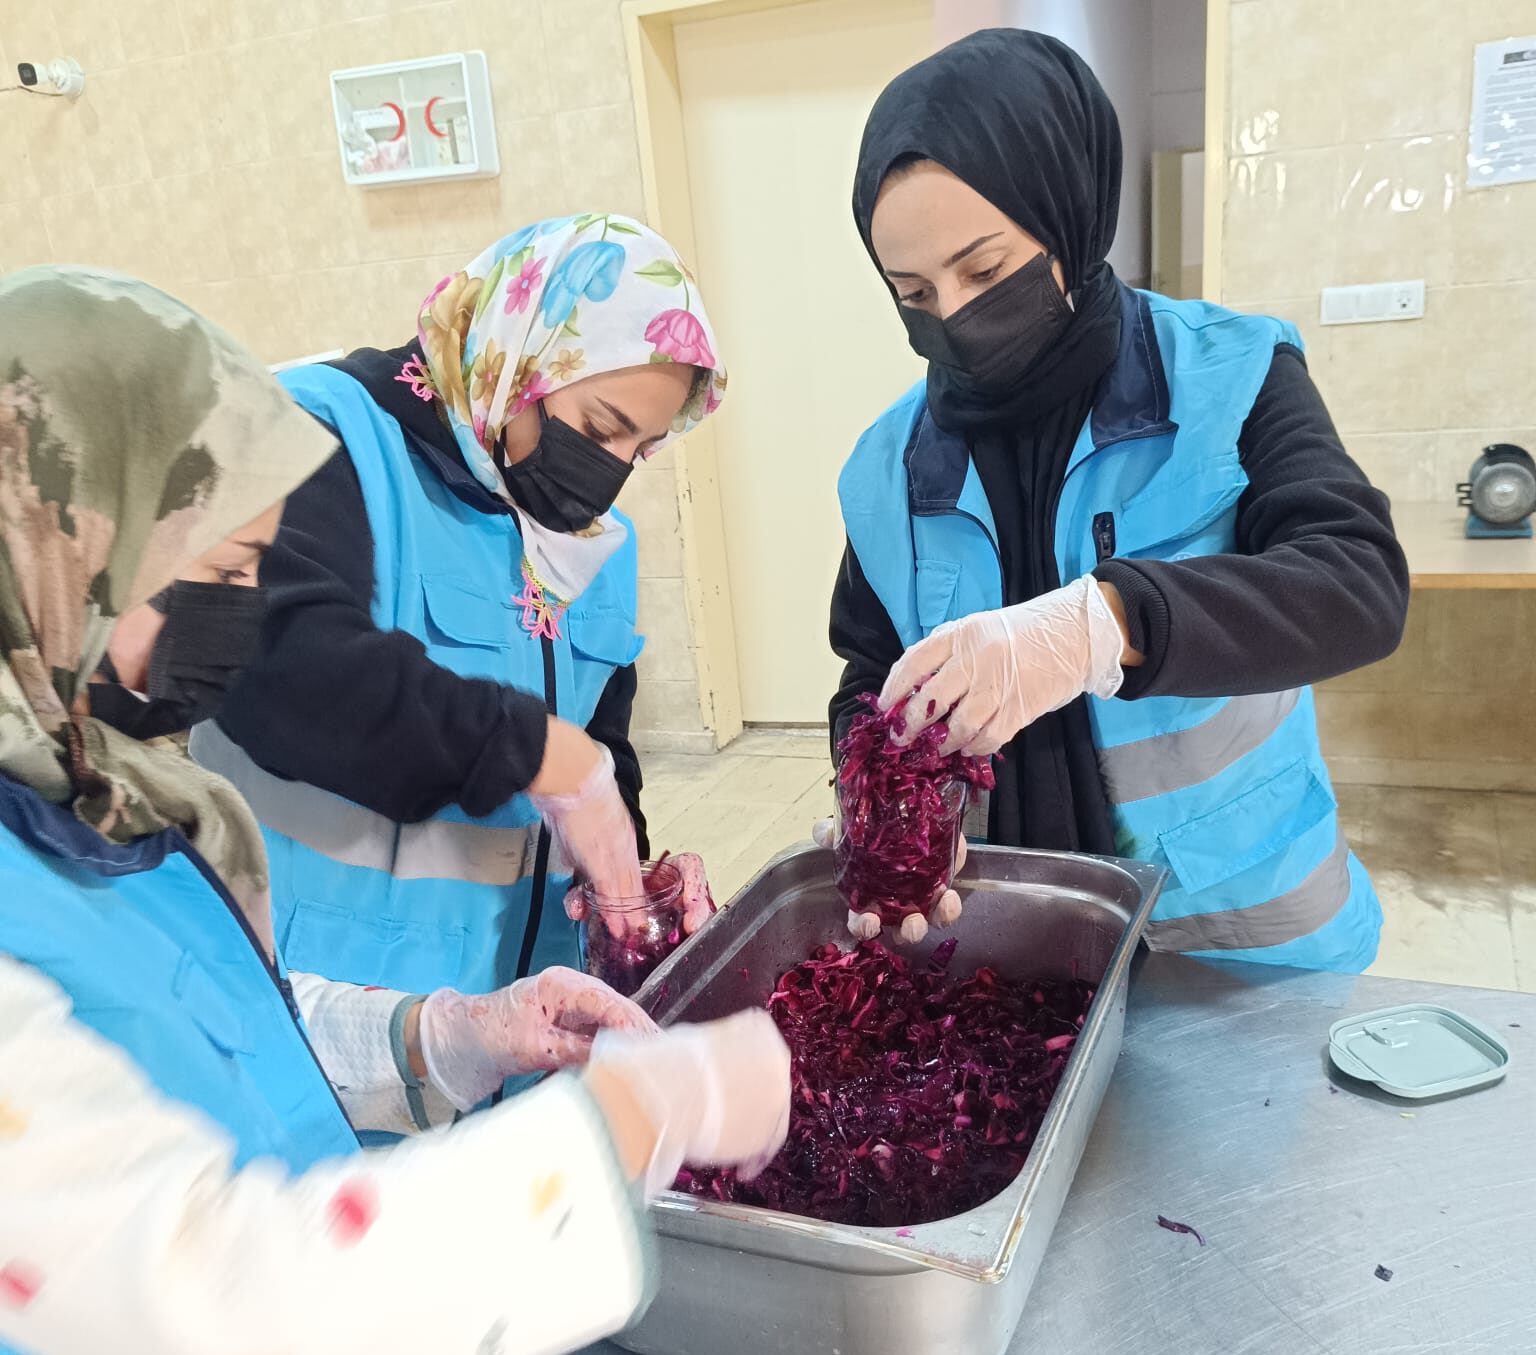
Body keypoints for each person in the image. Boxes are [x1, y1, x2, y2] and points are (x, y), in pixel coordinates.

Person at [0, 267, 790, 1355]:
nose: (241, 616)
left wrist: (445, 1037)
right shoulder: (341, 434)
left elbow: (220, 1027)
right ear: (68, 536)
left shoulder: (96, 783)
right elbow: (204, 1285)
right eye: (225, 569)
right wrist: (633, 1124)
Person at [824, 31, 1410, 971]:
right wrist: (886, 800)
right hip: (1010, 946)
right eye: (914, 292)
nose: (956, 316)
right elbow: (870, 670)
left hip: (1239, 942)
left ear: (1069, 214)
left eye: (984, 270)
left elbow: (1358, 585)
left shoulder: (1232, 373)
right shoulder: (886, 467)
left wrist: (1105, 624)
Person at [191, 214, 727, 1008]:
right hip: (327, 1003)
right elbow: (282, 669)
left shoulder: (595, 547)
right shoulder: (324, 435)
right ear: (520, 356)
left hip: (522, 1009)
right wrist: (537, 752)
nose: (609, 475)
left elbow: (605, 751)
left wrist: (630, 879)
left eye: (640, 449)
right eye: (600, 428)